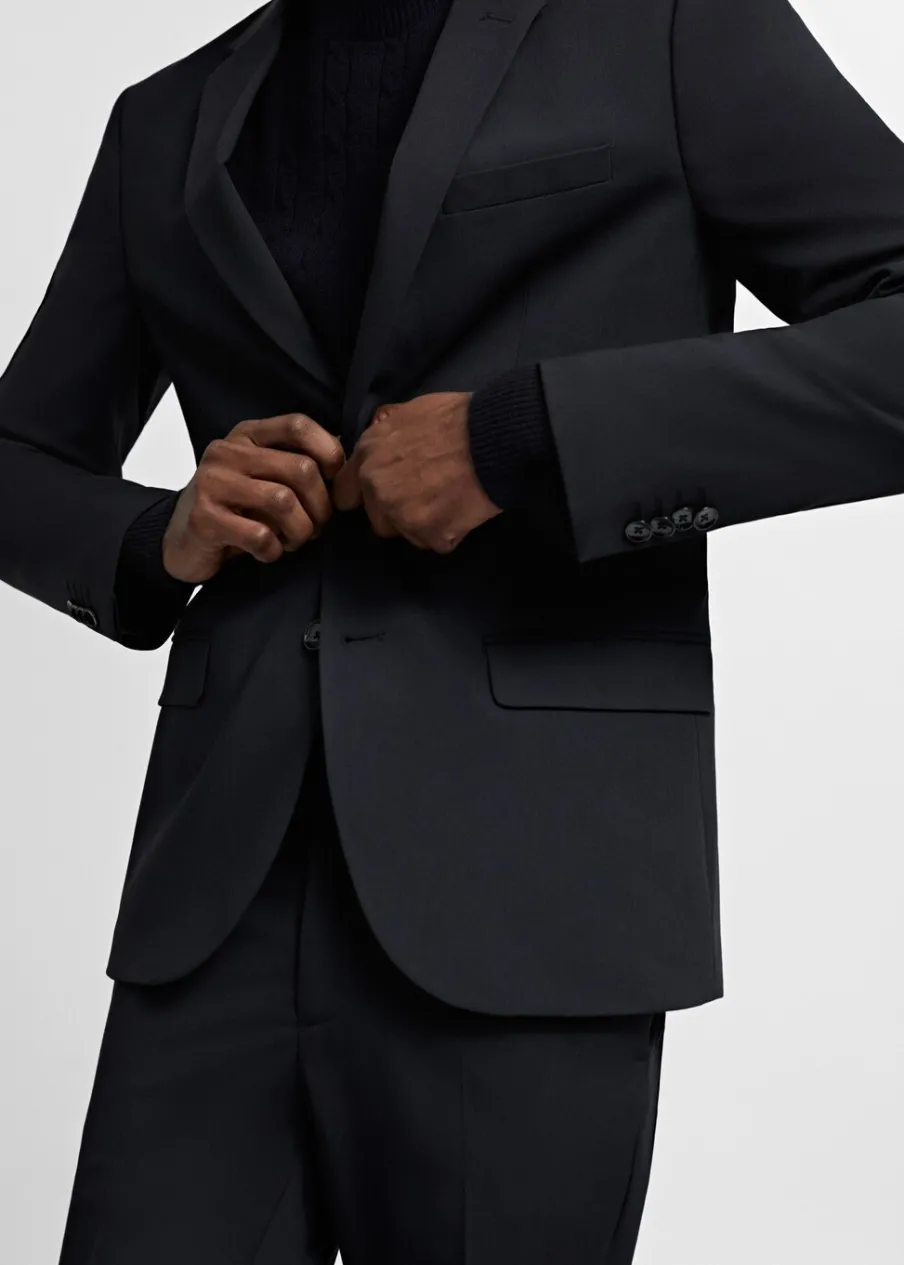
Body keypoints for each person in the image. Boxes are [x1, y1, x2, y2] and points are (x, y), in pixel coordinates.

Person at [2, 0, 904, 1259]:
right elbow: (20, 458)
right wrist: (166, 530)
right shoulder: (163, 120)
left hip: (530, 882)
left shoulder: (670, 28)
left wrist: (522, 439)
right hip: (214, 895)